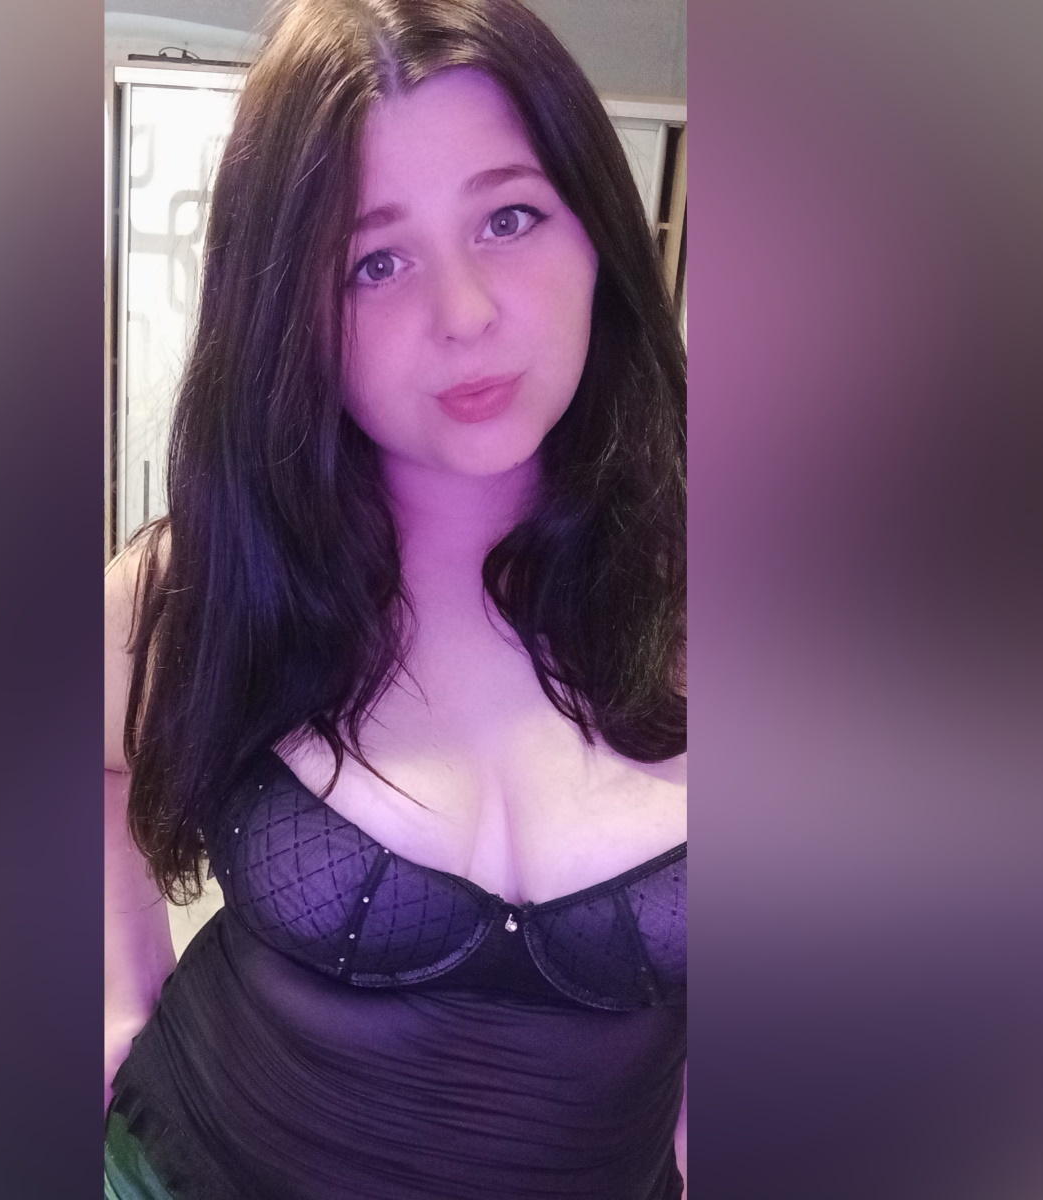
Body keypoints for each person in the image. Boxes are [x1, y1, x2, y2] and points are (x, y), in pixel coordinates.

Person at [104, 0, 686, 1195]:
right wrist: (114, 1001)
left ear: (596, 232)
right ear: (288, 317)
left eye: (509, 218)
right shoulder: (211, 581)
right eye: (375, 262)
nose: (464, 313)